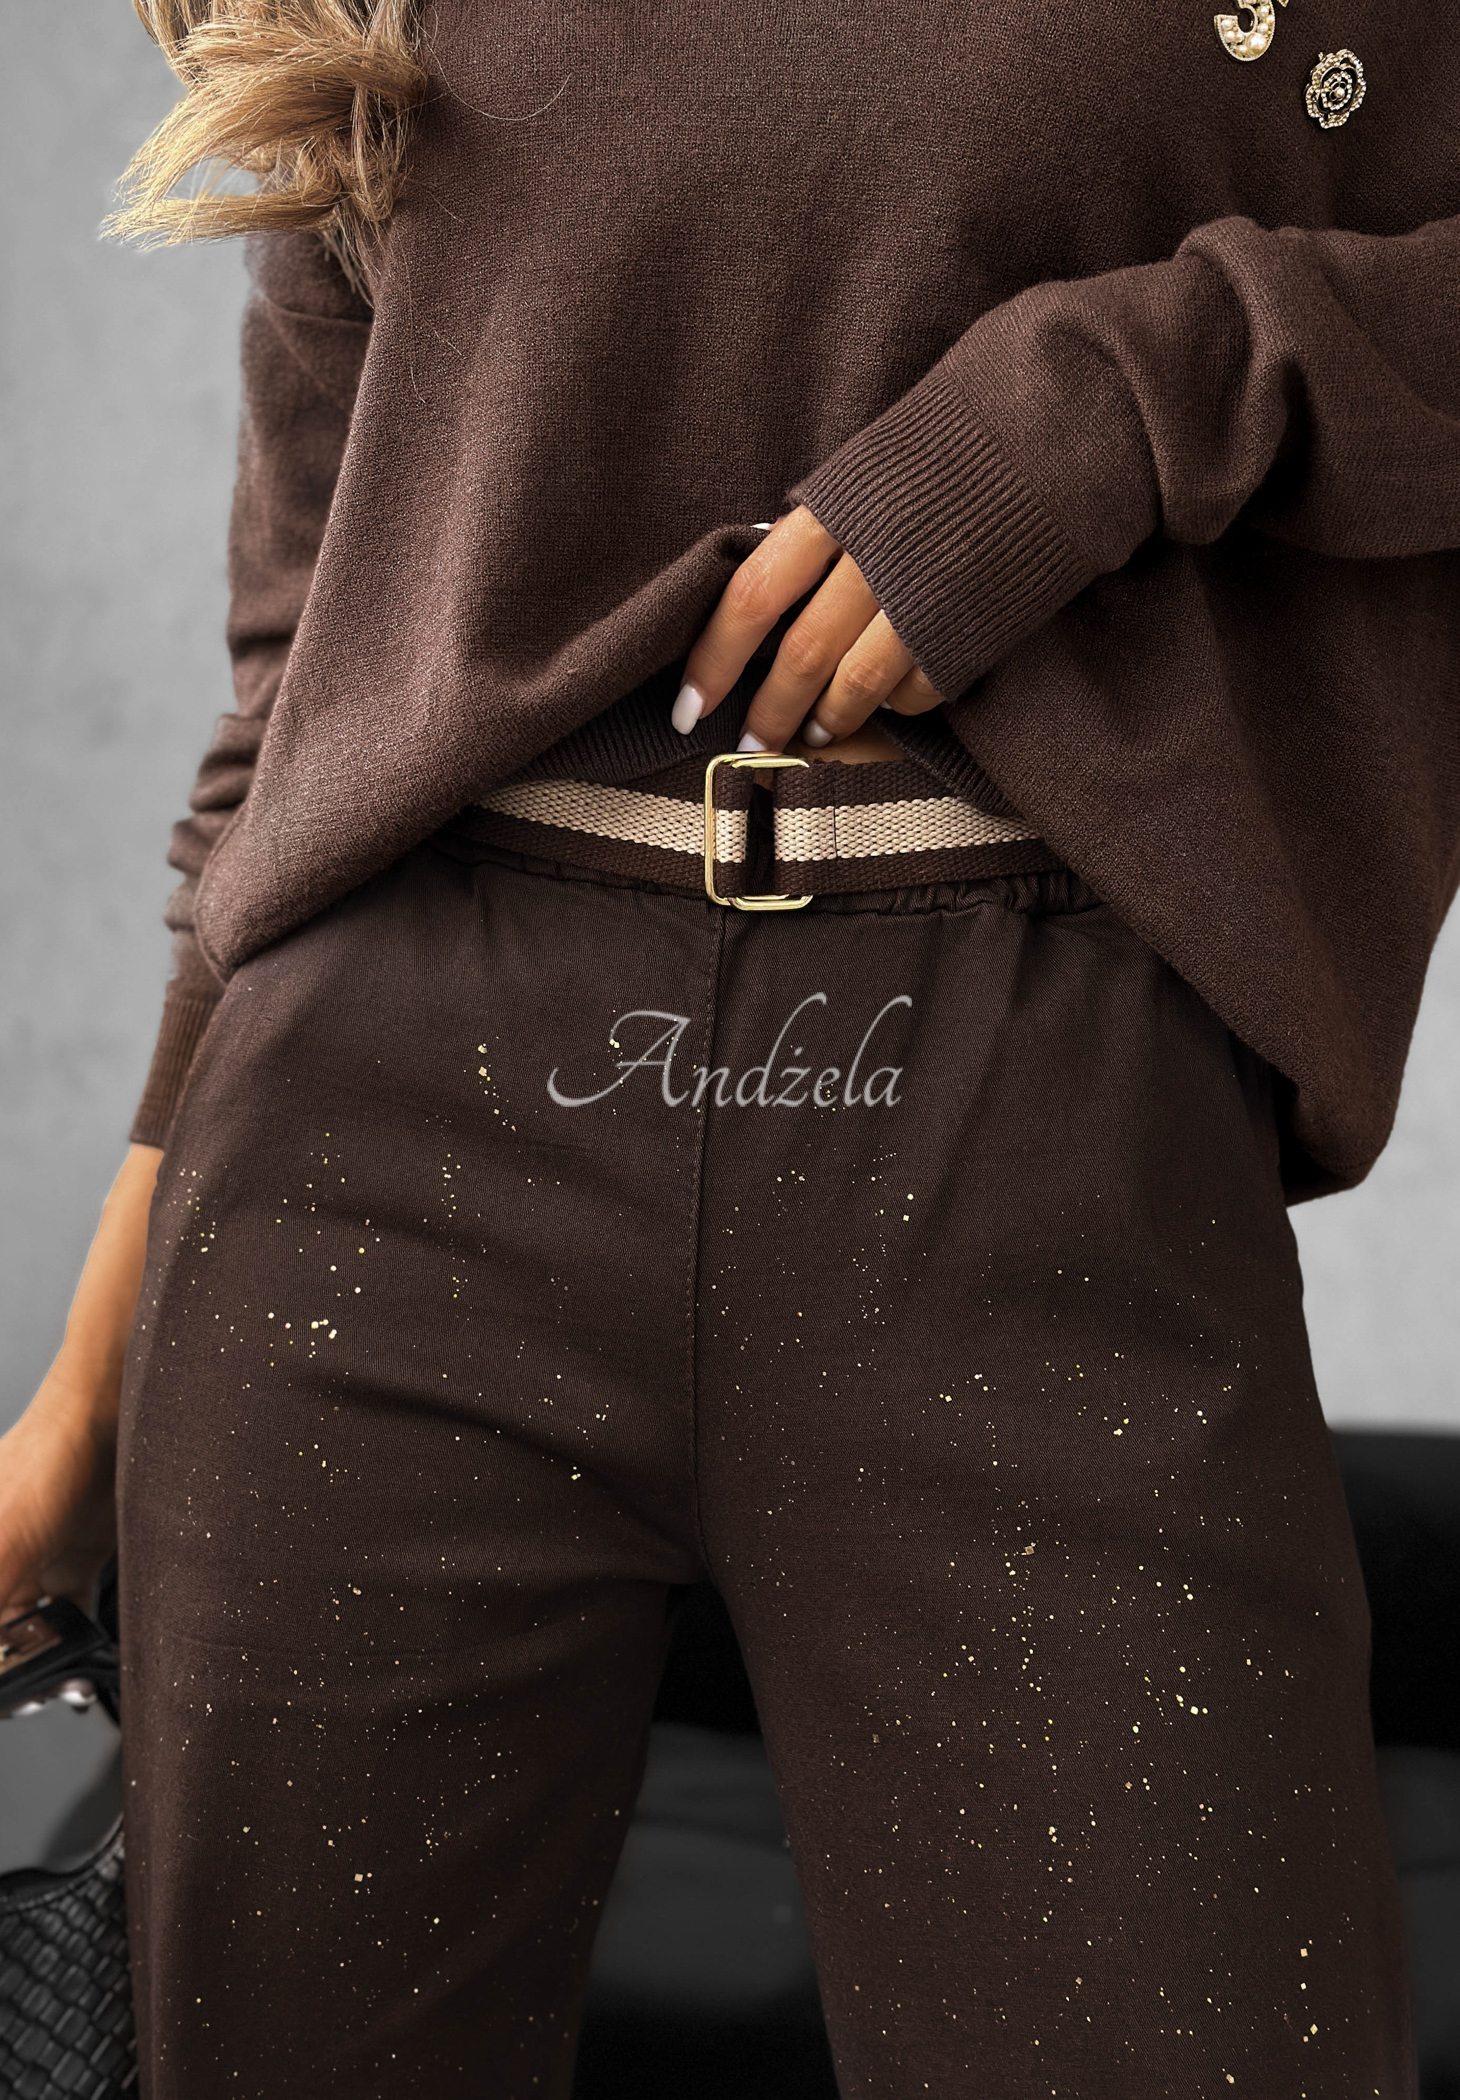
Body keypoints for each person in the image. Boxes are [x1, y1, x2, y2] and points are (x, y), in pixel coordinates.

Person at [2, 0, 1458, 2091]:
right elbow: (304, 694)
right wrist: (80, 1395)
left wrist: (1124, 398)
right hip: (376, 1149)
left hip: (1039, 1119)